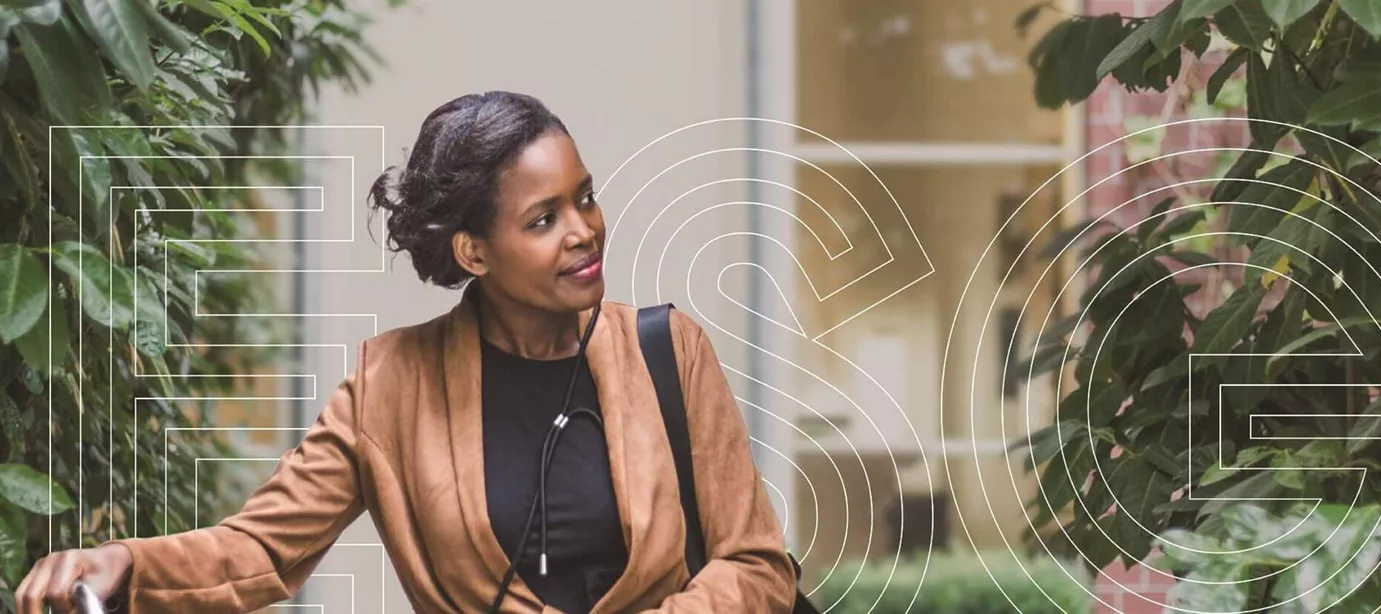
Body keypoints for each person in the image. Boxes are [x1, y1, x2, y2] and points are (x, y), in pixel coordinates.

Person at [15, 91, 798, 614]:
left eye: (584, 198)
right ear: (474, 251)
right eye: (542, 219)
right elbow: (259, 548)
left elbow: (757, 566)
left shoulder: (667, 351)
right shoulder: (390, 384)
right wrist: (124, 564)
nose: (584, 230)